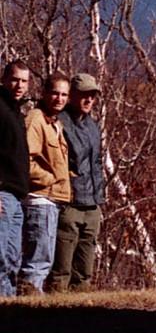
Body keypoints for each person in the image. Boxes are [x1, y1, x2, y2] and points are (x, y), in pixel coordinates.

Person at [48, 73, 105, 293]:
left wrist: (99, 197)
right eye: (84, 95)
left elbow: (97, 163)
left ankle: (81, 308)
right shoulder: (60, 122)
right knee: (61, 265)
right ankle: (54, 308)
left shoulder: (93, 127)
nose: (89, 100)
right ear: (72, 96)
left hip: (92, 203)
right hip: (69, 202)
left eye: (93, 95)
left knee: (84, 267)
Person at [18, 73, 71, 295]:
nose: (59, 98)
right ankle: (27, 313)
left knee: (44, 260)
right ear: (45, 93)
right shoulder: (36, 119)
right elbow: (26, 159)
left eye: (64, 95)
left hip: (52, 201)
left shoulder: (55, 122)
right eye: (55, 93)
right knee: (37, 262)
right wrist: (50, 179)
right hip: (39, 200)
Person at [0, 60, 30, 297]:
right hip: (2, 193)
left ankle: (8, 308)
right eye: (14, 79)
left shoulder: (16, 111)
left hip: (17, 195)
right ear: (4, 79)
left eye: (24, 81)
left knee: (12, 258)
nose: (19, 85)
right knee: (0, 257)